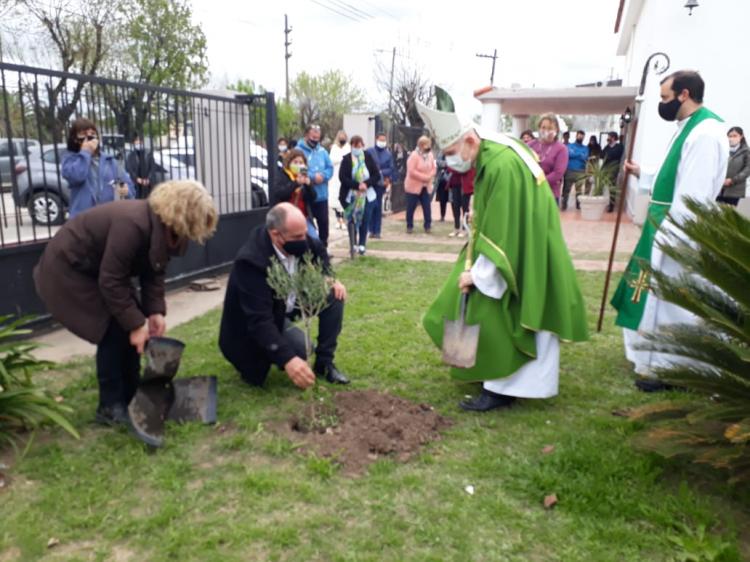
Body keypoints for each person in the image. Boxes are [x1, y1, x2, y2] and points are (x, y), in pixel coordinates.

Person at [417, 94, 588, 412]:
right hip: (528, 240)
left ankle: (499, 386)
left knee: (491, 305)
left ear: (469, 140)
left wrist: (479, 275)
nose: (452, 161)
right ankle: (489, 374)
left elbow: (504, 237)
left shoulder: (501, 164)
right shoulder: (493, 149)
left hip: (521, 250)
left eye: (453, 153)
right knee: (462, 296)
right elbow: (500, 208)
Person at [33, 180, 218, 426]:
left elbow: (155, 270)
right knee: (111, 329)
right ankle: (109, 407)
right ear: (183, 213)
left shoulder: (166, 228)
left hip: (100, 272)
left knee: (131, 326)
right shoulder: (132, 224)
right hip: (69, 270)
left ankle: (130, 394)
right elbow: (111, 281)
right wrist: (135, 324)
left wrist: (154, 312)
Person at [611, 70, 729, 392]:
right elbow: (675, 174)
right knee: (652, 295)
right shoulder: (689, 127)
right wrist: (644, 172)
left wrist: (671, 238)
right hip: (662, 223)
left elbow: (693, 192)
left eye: (665, 97)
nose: (662, 104)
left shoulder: (705, 133)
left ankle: (677, 369)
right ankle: (655, 360)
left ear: (684, 94)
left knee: (675, 302)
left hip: (677, 231)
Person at [219, 202, 350, 388]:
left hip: (286, 305)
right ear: (275, 234)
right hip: (254, 324)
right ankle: (263, 358)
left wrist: (330, 278)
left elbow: (319, 250)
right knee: (298, 352)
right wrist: (289, 360)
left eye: (305, 233)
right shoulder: (250, 263)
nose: (304, 239)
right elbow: (259, 321)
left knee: (334, 296)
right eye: (298, 236)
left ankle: (324, 364)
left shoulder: (298, 239)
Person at [62, 118, 135, 218]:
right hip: (82, 219)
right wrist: (86, 152)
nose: (89, 136)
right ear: (75, 139)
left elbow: (129, 189)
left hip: (109, 218)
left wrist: (126, 191)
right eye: (83, 134)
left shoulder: (111, 161)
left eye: (92, 133)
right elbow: (76, 176)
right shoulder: (70, 160)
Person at [338, 135, 381, 255]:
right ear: (351, 146)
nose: (357, 148)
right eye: (355, 146)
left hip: (367, 195)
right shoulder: (346, 159)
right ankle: (353, 243)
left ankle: (362, 244)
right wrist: (357, 185)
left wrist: (366, 184)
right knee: (351, 220)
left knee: (365, 219)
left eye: (359, 146)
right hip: (350, 195)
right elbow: (343, 177)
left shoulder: (368, 157)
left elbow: (376, 175)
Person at [297, 125, 333, 246]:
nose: (315, 140)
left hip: (322, 195)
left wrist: (323, 176)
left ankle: (323, 249)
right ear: (306, 135)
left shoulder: (322, 151)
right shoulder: (298, 151)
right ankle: (310, 250)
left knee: (323, 223)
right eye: (313, 137)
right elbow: (298, 168)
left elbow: (330, 167)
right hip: (306, 195)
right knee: (308, 225)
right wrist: (312, 177)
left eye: (317, 138)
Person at [271, 148, 318, 238]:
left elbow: (313, 198)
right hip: (286, 218)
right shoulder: (282, 175)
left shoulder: (305, 176)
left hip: (303, 217)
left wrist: (308, 185)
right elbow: (280, 193)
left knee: (314, 239)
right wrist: (296, 183)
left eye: (301, 163)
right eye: (295, 162)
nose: (298, 165)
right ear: (289, 163)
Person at [528, 114, 568, 205]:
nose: (546, 131)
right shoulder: (530, 145)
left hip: (550, 193)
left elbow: (558, 173)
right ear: (538, 128)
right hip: (530, 192)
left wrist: (538, 181)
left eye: (550, 128)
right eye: (543, 127)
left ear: (556, 130)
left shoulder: (561, 149)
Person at [367, 132, 397, 239]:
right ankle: (371, 230)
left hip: (381, 183)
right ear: (376, 139)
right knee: (371, 206)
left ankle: (377, 231)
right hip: (371, 183)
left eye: (384, 140)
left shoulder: (388, 154)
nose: (382, 142)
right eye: (381, 140)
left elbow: (391, 168)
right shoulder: (370, 151)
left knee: (378, 207)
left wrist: (382, 172)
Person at [404, 135, 436, 234]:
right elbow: (411, 171)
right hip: (413, 186)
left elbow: (434, 167)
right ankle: (409, 226)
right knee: (411, 207)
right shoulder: (414, 156)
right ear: (421, 145)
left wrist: (430, 175)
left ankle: (428, 226)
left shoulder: (430, 155)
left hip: (425, 186)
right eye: (427, 145)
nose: (429, 147)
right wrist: (424, 177)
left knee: (427, 206)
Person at [717, 126, 750, 206]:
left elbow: (747, 169)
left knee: (729, 214)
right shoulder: (723, 150)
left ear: (741, 136)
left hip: (735, 190)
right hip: (719, 188)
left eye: (735, 136)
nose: (731, 138)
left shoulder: (746, 151)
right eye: (730, 136)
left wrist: (733, 180)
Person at [561, 130, 589, 210]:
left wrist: (575, 154)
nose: (580, 137)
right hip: (569, 170)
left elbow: (585, 157)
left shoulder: (585, 148)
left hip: (580, 171)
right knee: (566, 189)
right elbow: (568, 154)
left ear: (584, 137)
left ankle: (578, 205)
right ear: (576, 136)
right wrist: (579, 154)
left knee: (579, 190)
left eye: (582, 136)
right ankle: (564, 205)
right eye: (579, 135)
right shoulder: (569, 146)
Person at [328, 130, 350, 230]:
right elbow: (331, 160)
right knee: (335, 198)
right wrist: (341, 158)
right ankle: (338, 219)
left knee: (344, 198)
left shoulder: (348, 147)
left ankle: (344, 220)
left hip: (345, 174)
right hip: (335, 175)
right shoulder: (334, 147)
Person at [125, 133, 157, 199]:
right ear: (134, 142)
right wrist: (137, 179)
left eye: (140, 140)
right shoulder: (131, 155)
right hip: (136, 185)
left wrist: (149, 179)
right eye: (137, 140)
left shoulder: (148, 154)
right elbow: (129, 169)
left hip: (147, 185)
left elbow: (152, 167)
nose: (138, 142)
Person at [602, 132, 625, 212]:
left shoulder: (619, 147)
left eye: (609, 137)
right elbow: (602, 155)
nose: (608, 138)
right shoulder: (607, 147)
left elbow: (615, 155)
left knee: (611, 187)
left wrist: (608, 155)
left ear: (614, 138)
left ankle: (611, 206)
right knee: (602, 186)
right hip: (605, 169)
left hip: (613, 170)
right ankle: (602, 203)